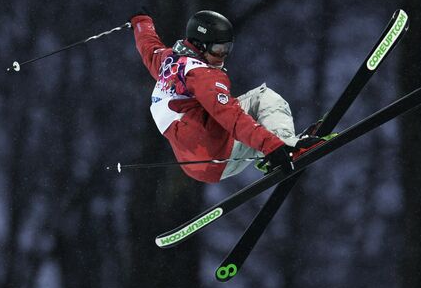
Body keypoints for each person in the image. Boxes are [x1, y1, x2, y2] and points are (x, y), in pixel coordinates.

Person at [130, 10, 322, 183]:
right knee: (263, 98)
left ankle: (275, 146)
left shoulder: (168, 61)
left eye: (227, 49)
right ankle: (288, 147)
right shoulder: (204, 76)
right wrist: (273, 147)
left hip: (194, 164)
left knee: (245, 116)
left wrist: (141, 21)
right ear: (200, 45)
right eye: (218, 50)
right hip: (218, 156)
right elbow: (231, 117)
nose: (223, 56)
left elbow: (148, 46)